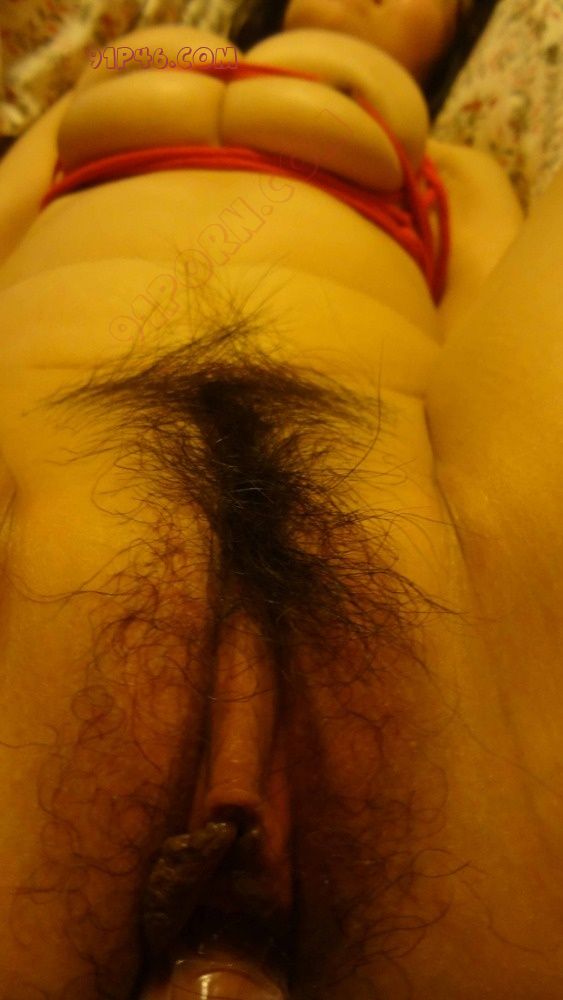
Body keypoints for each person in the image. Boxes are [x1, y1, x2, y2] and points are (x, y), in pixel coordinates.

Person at [0, 4, 561, 999]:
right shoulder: (123, 62)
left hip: (436, 553)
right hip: (40, 426)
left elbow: (486, 312)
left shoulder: (456, 161)